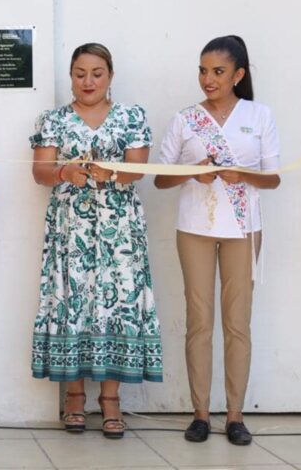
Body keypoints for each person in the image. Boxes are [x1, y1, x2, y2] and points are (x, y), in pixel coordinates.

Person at [29, 43, 162, 439]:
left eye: (97, 73)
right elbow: (39, 171)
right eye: (80, 73)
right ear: (71, 76)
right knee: (72, 299)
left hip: (119, 229)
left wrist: (113, 174)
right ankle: (73, 398)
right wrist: (63, 173)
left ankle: (110, 401)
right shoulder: (53, 119)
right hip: (71, 228)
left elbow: (140, 169)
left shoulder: (131, 116)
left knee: (116, 302)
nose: (88, 81)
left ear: (110, 76)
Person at [154, 35, 280, 446]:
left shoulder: (259, 116)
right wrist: (194, 171)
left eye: (218, 72)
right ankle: (201, 414)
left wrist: (240, 174)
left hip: (243, 229)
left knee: (237, 322)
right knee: (199, 321)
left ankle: (236, 415)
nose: (208, 79)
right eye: (203, 70)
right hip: (195, 228)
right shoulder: (185, 119)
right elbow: (159, 178)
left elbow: (273, 178)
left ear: (238, 75)